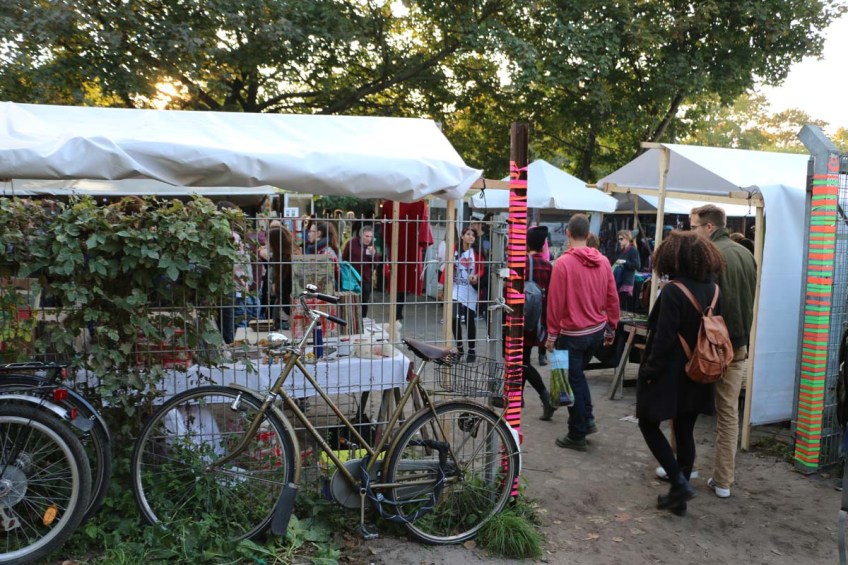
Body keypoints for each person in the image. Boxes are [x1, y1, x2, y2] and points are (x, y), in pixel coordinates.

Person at [637, 230, 724, 516]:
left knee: (648, 422)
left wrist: (649, 370)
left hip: (671, 372)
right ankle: (681, 497)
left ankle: (678, 482)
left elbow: (662, 339)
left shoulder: (673, 290)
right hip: (700, 370)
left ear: (673, 258)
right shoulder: (713, 288)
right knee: (685, 429)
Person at [690, 204, 757, 499]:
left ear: (707, 227)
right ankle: (724, 480)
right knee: (728, 413)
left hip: (710, 345)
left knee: (688, 405)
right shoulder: (746, 253)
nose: (691, 232)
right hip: (739, 344)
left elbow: (702, 301)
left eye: (693, 226)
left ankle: (684, 466)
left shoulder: (710, 255)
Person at [546, 214, 620, 451]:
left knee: (572, 381)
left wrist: (551, 334)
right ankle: (587, 420)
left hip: (572, 335)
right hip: (596, 332)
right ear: (588, 235)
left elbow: (555, 303)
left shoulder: (563, 264)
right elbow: (612, 297)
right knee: (577, 378)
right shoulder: (604, 261)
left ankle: (577, 432)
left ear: (567, 233)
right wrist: (612, 326)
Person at [524, 226, 557, 420]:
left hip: (521, 319)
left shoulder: (522, 264)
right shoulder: (548, 266)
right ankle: (516, 399)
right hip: (539, 321)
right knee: (523, 359)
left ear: (527, 243)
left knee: (521, 361)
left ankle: (546, 396)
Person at [449, 226, 484, 362]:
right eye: (468, 234)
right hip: (456, 288)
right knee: (454, 318)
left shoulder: (477, 252)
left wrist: (476, 276)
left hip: (471, 290)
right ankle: (459, 348)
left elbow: (482, 269)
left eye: (473, 235)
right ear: (462, 236)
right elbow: (448, 266)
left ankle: (472, 350)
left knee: (470, 320)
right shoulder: (455, 250)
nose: (470, 237)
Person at [342, 225, 380, 319]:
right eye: (366, 236)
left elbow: (376, 264)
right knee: (351, 300)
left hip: (365, 278)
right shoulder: (352, 243)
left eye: (371, 237)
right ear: (361, 235)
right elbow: (344, 258)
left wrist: (373, 255)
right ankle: (350, 320)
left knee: (364, 301)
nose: (369, 239)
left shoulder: (372, 246)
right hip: (352, 277)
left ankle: (362, 320)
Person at [614, 229, 641, 312]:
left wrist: (625, 262)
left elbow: (637, 265)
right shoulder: (622, 251)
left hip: (627, 283)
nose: (619, 241)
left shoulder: (633, 250)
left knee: (621, 307)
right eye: (618, 239)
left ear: (627, 238)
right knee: (618, 306)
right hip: (620, 281)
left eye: (621, 239)